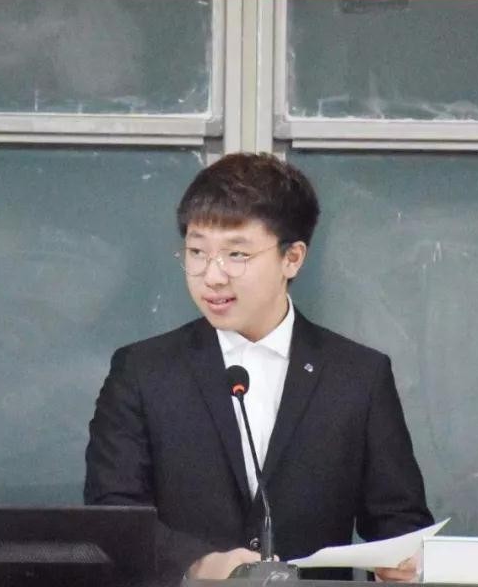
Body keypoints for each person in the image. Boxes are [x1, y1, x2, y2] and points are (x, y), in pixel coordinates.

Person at [85, 152, 433, 583]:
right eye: (197, 252)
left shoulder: (359, 376)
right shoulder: (142, 371)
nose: (212, 276)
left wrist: (400, 564)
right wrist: (199, 563)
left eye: (236, 254)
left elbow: (400, 521)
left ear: (292, 258)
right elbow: (112, 514)